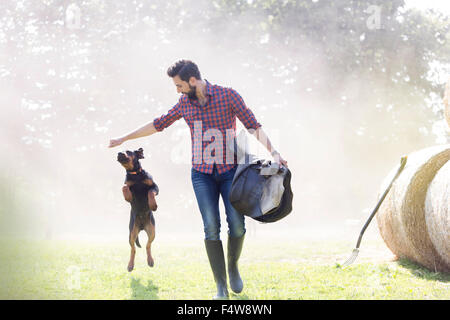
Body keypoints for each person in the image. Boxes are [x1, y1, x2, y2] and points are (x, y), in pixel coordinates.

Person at [109, 60, 287, 299]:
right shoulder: (184, 103)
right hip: (201, 174)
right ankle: (220, 286)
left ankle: (232, 267)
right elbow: (158, 123)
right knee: (211, 227)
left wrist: (274, 152)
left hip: (230, 172)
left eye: (179, 85)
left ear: (193, 81)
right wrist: (124, 138)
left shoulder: (228, 96)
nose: (178, 90)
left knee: (236, 224)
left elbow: (253, 126)